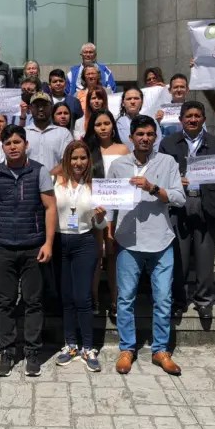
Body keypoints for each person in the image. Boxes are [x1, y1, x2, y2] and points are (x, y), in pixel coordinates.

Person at [107, 115, 185, 376]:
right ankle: (127, 348)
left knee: (163, 298)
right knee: (125, 298)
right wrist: (103, 221)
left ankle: (160, 350)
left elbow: (178, 198)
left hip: (161, 239)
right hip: (128, 239)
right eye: (140, 134)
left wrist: (153, 188)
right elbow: (110, 203)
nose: (145, 138)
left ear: (156, 137)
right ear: (131, 137)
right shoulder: (118, 165)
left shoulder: (168, 162)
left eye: (150, 134)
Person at [0, 125, 57, 377]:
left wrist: (48, 243)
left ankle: (32, 351)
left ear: (26, 144)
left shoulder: (39, 171)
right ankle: (7, 350)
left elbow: (50, 207)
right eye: (8, 143)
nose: (13, 146)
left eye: (17, 142)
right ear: (2, 147)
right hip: (3, 246)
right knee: (5, 302)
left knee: (33, 301)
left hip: (33, 246)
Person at [158, 101, 215, 318]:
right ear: (181, 119)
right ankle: (178, 301)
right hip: (179, 205)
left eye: (197, 116)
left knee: (205, 257)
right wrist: (174, 180)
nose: (192, 119)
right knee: (178, 258)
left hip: (206, 203)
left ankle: (203, 300)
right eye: (188, 116)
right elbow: (161, 175)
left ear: (203, 119)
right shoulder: (168, 144)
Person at [53, 141, 107, 372]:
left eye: (83, 158)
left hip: (84, 242)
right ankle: (70, 344)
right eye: (74, 158)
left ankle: (87, 346)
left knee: (83, 297)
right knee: (66, 297)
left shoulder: (95, 186)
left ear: (89, 161)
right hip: (59, 241)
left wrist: (101, 216)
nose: (78, 163)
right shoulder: (55, 182)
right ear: (67, 159)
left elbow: (101, 224)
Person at [83, 109, 130, 315]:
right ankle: (92, 299)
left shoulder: (122, 149)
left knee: (112, 255)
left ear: (113, 126)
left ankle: (115, 300)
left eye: (106, 123)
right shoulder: (86, 149)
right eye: (98, 124)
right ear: (92, 128)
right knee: (96, 254)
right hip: (92, 206)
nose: (102, 128)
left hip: (116, 207)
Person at [25, 92, 74, 176]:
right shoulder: (23, 133)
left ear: (51, 108)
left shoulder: (64, 133)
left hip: (55, 185)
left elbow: (67, 161)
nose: (41, 109)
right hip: (28, 185)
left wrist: (47, 178)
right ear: (30, 109)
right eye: (36, 106)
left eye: (44, 105)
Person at [116, 86, 162, 153]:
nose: (132, 101)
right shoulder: (117, 123)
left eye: (136, 98)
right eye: (129, 99)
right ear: (123, 103)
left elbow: (157, 144)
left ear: (141, 102)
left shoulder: (151, 121)